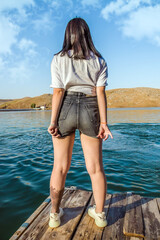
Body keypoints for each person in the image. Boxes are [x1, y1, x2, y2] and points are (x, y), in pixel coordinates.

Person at [47, 17, 113, 228]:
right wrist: (104, 122)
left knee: (59, 167)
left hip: (65, 107)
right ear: (87, 34)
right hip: (90, 107)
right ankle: (100, 215)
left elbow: (58, 91)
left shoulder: (58, 58)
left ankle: (54, 215)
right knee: (95, 168)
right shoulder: (99, 60)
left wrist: (53, 121)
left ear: (68, 34)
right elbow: (100, 92)